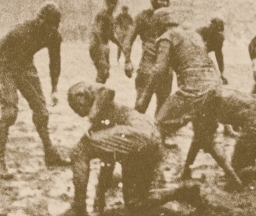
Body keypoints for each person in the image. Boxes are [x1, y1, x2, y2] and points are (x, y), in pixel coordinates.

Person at [149, 8, 256, 190]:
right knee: (205, 136)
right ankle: (252, 170)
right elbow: (200, 137)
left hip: (248, 119)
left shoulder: (205, 93)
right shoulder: (225, 89)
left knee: (239, 170)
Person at [66, 82, 207, 216]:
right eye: (74, 109)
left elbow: (107, 91)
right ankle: (183, 192)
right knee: (135, 204)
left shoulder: (99, 99)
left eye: (77, 106)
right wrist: (101, 197)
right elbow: (108, 162)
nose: (78, 112)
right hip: (148, 142)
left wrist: (93, 113)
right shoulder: (100, 124)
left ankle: (79, 207)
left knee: (79, 150)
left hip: (140, 133)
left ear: (85, 97)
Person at [0, 1, 69, 179]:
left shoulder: (54, 35)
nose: (50, 29)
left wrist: (54, 88)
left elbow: (55, 61)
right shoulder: (21, 31)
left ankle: (50, 153)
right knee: (9, 113)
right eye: (47, 23)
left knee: (42, 112)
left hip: (25, 66)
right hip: (6, 67)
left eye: (54, 25)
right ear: (39, 19)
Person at [125, 0, 173, 116]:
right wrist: (127, 61)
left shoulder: (170, 19)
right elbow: (128, 39)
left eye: (164, 0)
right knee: (140, 109)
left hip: (164, 69)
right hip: (150, 67)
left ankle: (156, 135)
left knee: (162, 111)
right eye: (159, 0)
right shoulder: (143, 16)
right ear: (153, 0)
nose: (162, 3)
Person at [89, 0, 130, 84]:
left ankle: (99, 91)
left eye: (114, 4)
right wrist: (100, 46)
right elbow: (97, 31)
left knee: (106, 73)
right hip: (97, 45)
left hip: (104, 45)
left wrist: (121, 46)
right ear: (107, 4)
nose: (113, 6)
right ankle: (97, 93)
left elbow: (111, 35)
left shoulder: (111, 17)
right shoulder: (102, 15)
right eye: (111, 4)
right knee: (103, 71)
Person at [197, 18, 228, 84]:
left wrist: (221, 73)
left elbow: (219, 56)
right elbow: (218, 56)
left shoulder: (219, 37)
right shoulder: (203, 32)